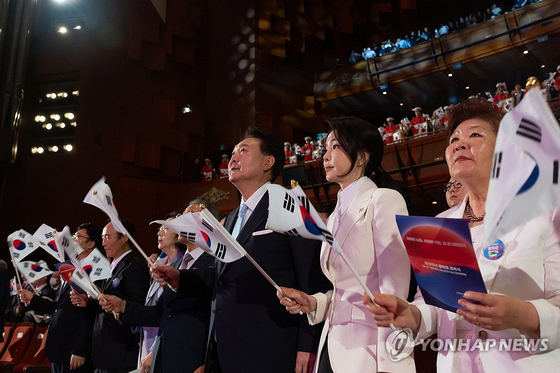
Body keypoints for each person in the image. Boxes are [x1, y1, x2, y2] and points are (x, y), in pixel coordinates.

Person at [365, 98, 560, 371]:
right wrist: (412, 314)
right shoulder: (439, 225)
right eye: (454, 138)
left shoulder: (547, 215)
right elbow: (435, 303)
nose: (459, 143)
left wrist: (522, 315)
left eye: (475, 135)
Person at [152, 127, 329, 372]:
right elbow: (223, 274)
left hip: (273, 347)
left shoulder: (290, 205)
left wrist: (307, 344)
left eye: (243, 151)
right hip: (228, 347)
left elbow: (311, 279)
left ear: (268, 162)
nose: (233, 158)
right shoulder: (232, 217)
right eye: (233, 152)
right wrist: (181, 278)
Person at [279, 117, 414, 372]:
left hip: (369, 348)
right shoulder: (334, 217)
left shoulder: (384, 200)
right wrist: (313, 303)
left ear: (361, 157)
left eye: (335, 147)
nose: (326, 156)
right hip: (331, 342)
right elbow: (343, 288)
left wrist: (392, 363)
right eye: (325, 148)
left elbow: (394, 291)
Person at [101, 203, 216, 373]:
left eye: (189, 216)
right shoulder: (177, 264)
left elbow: (217, 318)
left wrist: (210, 362)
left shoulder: (215, 263)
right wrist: (124, 307)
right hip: (167, 359)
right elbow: (161, 313)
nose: (180, 221)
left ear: (209, 224)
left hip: (194, 361)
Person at [19, 223, 103, 373]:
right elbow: (60, 307)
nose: (73, 239)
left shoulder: (94, 271)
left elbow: (90, 313)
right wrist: (33, 300)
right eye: (73, 236)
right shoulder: (71, 268)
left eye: (78, 237)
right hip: (59, 349)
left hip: (73, 351)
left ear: (91, 244)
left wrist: (80, 349)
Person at [74, 220, 150, 373]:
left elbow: (137, 306)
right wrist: (89, 301)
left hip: (121, 352)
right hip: (104, 353)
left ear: (124, 238)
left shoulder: (134, 266)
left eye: (108, 237)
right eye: (102, 238)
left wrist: (105, 296)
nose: (103, 243)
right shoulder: (112, 267)